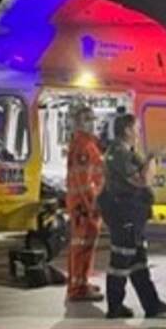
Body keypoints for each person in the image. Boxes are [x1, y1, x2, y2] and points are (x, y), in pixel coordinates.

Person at [98, 113, 166, 318]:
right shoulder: (119, 154)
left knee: (138, 260)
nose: (139, 132)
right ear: (127, 130)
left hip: (133, 214)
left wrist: (152, 158)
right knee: (121, 260)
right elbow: (142, 180)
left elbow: (148, 175)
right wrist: (150, 157)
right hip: (124, 213)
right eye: (137, 128)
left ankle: (152, 304)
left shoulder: (129, 152)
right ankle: (115, 306)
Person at [65, 104, 105, 302]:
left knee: (81, 246)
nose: (92, 122)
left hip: (83, 205)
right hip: (85, 207)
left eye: (92, 118)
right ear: (79, 122)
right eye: (87, 119)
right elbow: (83, 181)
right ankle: (78, 289)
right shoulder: (84, 145)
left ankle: (79, 283)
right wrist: (92, 206)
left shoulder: (86, 143)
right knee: (82, 247)